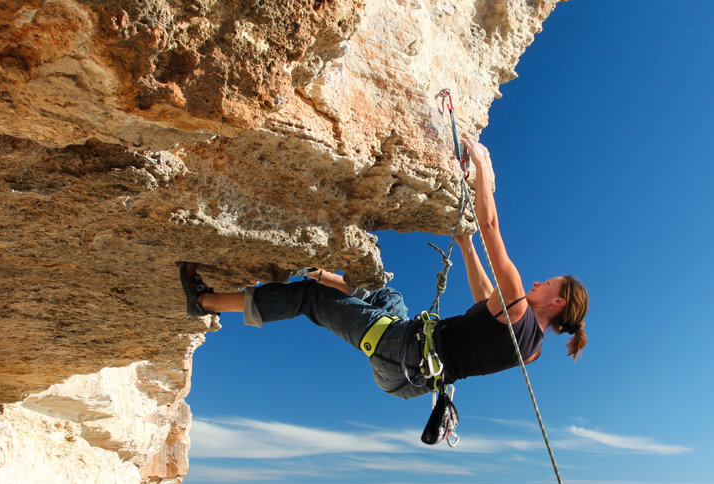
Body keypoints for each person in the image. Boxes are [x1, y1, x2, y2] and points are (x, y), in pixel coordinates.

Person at [178, 137, 588, 404]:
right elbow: (484, 301)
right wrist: (464, 245)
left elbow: (491, 227)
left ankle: (205, 301)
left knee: (309, 300)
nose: (537, 281)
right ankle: (323, 273)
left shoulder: (517, 303)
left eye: (547, 283)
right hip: (412, 371)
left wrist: (482, 167)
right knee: (382, 291)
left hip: (403, 353)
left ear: (558, 299)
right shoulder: (531, 349)